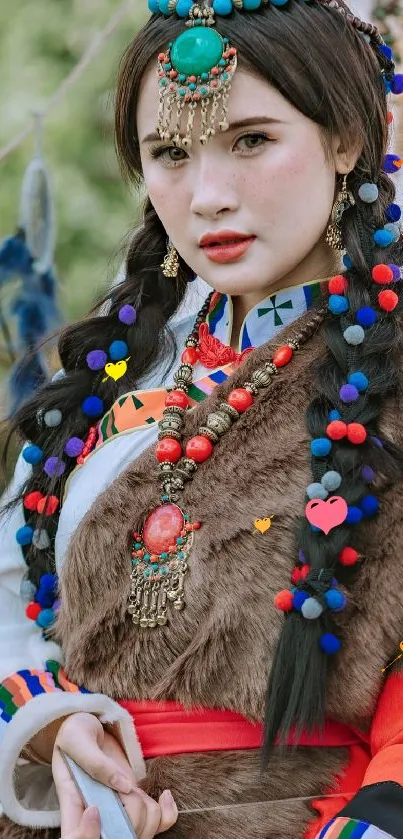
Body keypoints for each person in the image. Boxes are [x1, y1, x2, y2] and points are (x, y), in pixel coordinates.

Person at [1, 1, 403, 837]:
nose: (208, 196)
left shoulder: (386, 364)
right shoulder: (121, 369)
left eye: (251, 139)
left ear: (345, 140)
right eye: (170, 153)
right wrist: (51, 722)